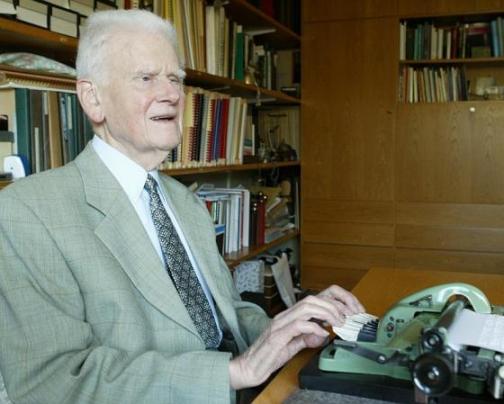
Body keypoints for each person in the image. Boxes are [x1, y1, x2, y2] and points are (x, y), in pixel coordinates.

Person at [0, 9, 365, 404]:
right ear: (93, 98)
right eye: (146, 78)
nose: (172, 94)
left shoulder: (185, 203)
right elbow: (51, 383)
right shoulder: (27, 212)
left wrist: (286, 329)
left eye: (176, 79)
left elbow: (226, 314)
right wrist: (235, 372)